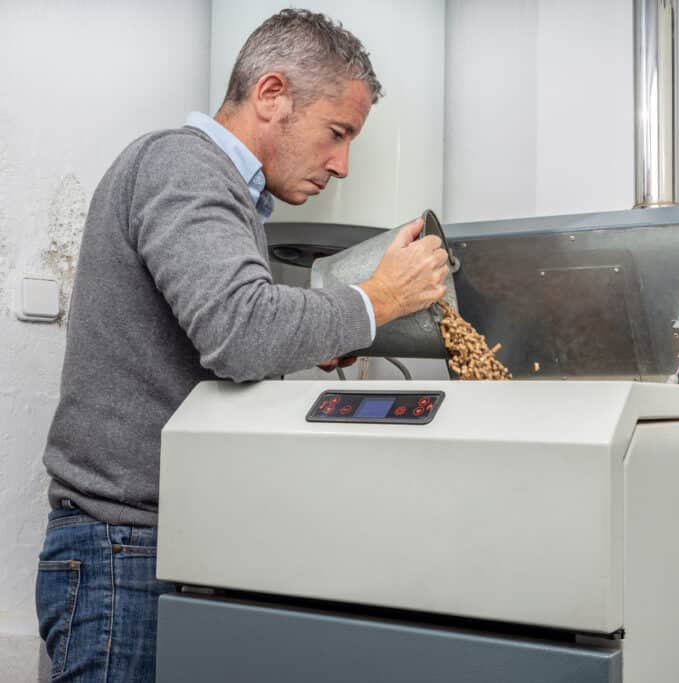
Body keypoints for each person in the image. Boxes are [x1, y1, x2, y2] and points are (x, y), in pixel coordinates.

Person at [34, 9, 448, 681]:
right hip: (123, 552)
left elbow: (222, 331)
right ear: (272, 94)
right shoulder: (182, 165)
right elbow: (241, 332)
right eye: (337, 133)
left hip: (153, 543)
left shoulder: (221, 191)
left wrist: (317, 336)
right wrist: (378, 299)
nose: (342, 165)